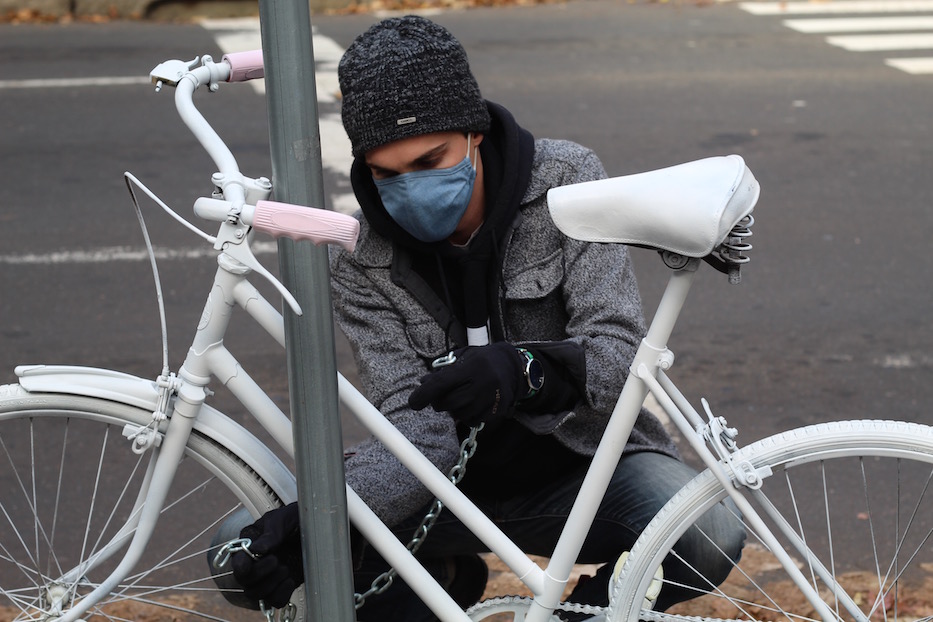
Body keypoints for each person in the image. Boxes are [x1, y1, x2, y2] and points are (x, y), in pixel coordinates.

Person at [231, 15, 745, 621]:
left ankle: (574, 614)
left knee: (705, 527)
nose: (413, 189)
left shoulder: (565, 183)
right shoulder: (361, 257)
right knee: (239, 550)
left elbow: (617, 356)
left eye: (431, 160)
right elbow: (412, 429)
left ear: (474, 133)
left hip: (583, 472)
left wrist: (523, 370)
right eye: (386, 174)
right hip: (439, 491)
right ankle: (444, 580)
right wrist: (311, 526)